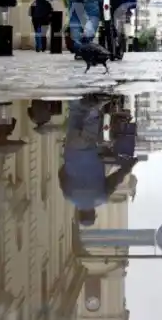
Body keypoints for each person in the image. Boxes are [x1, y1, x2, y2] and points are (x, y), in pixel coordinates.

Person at [58, 95, 138, 226]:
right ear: (78, 213)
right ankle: (76, 95)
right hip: (71, 150)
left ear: (93, 213)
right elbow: (61, 174)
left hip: (89, 150)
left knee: (92, 121)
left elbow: (117, 177)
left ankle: (95, 108)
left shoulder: (101, 197)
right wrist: (70, 164)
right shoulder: (69, 196)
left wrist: (129, 166)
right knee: (75, 114)